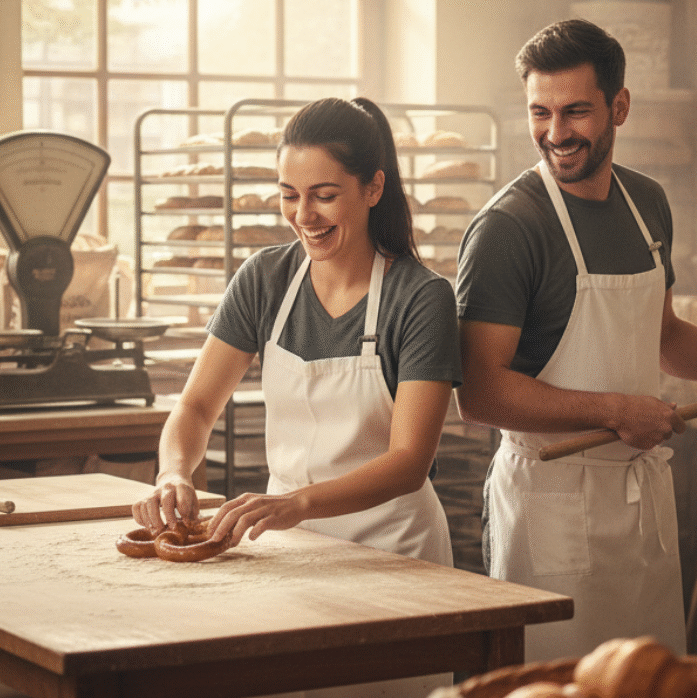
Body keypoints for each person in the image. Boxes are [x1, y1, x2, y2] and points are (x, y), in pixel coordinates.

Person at [455, 18, 697, 662]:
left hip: (641, 501)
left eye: (576, 112)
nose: (556, 133)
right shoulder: (508, 228)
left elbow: (662, 336)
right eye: (540, 112)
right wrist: (615, 410)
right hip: (549, 506)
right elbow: (480, 395)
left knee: (652, 676)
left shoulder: (647, 203)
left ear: (621, 106)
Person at [134, 96, 460, 695]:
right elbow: (197, 406)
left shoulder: (422, 298)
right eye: (289, 194)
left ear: (373, 187)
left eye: (324, 194)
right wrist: (172, 473)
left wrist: (295, 504)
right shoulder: (264, 280)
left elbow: (409, 462)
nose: (303, 214)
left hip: (396, 562)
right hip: (290, 554)